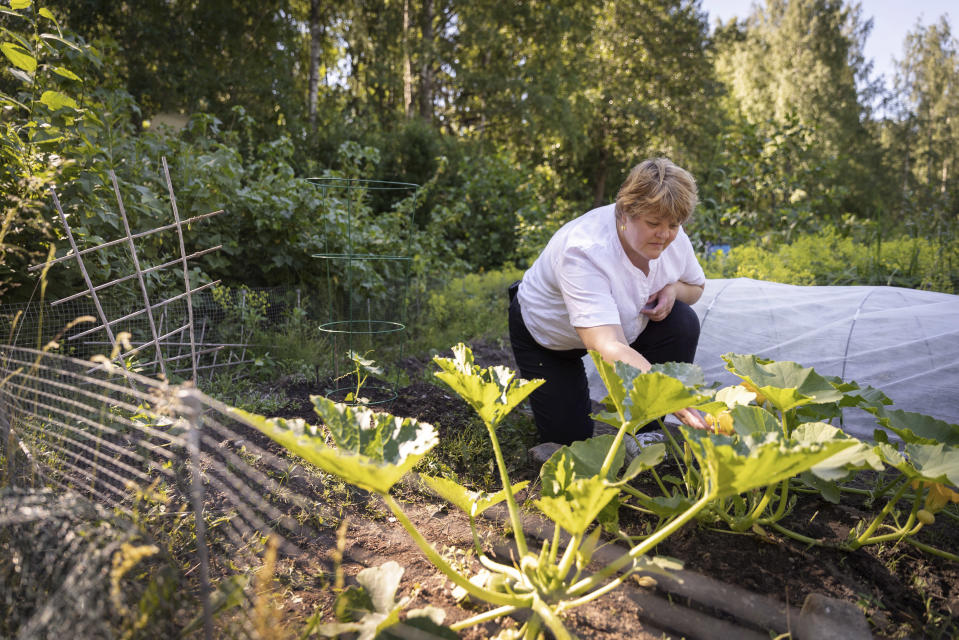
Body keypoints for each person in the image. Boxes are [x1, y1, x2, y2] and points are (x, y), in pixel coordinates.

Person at [508, 157, 709, 446]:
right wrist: (668, 391)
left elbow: (697, 287)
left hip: (620, 328)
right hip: (548, 338)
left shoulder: (671, 237)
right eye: (653, 223)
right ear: (625, 212)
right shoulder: (585, 249)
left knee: (681, 321)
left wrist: (673, 290)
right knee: (572, 443)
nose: (665, 235)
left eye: (674, 224)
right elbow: (606, 345)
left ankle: (644, 433)